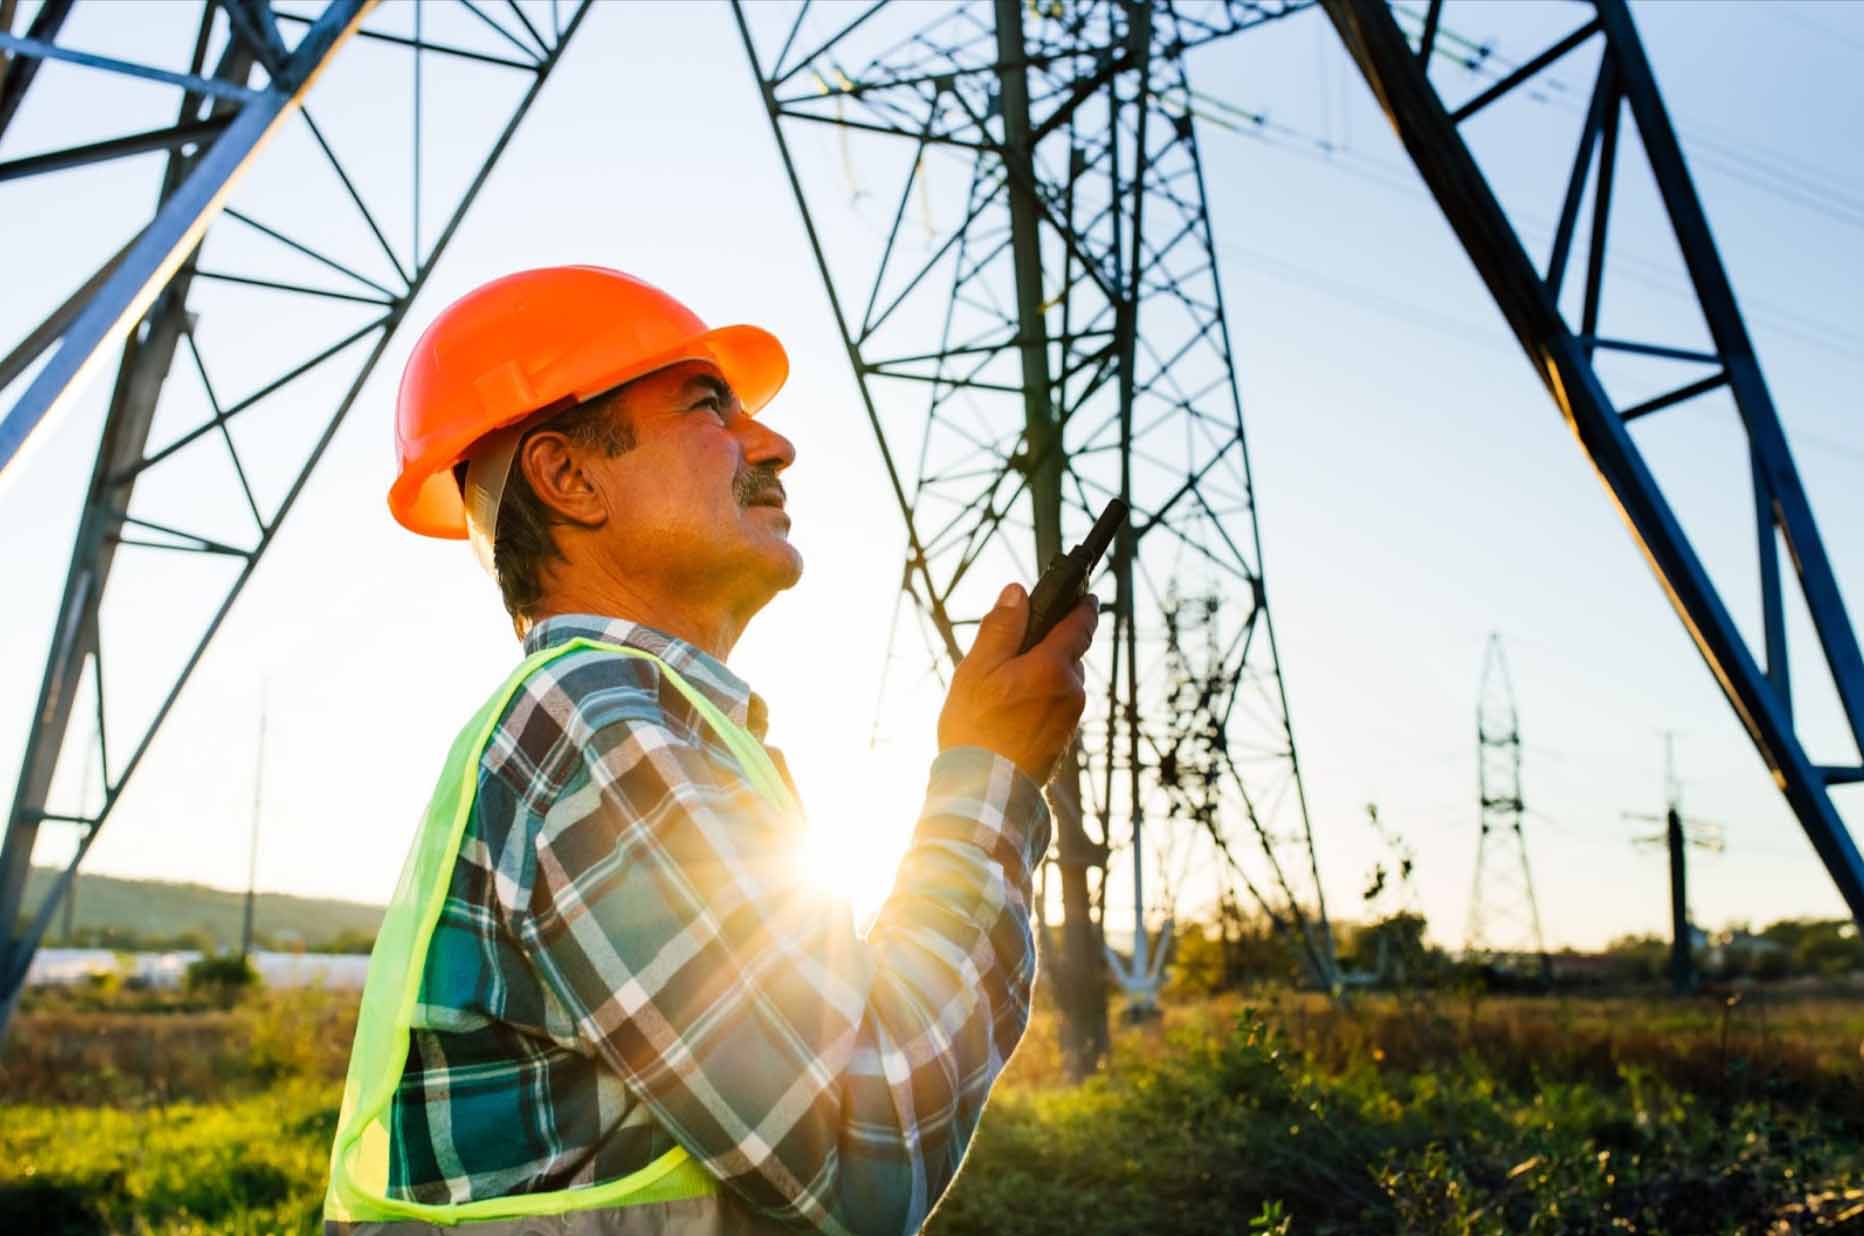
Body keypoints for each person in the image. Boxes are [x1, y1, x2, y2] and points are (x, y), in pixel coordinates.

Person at [324, 266, 1099, 1236]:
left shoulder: (623, 724)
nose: (773, 444)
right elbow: (868, 1143)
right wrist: (990, 774)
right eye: (709, 409)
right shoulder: (602, 730)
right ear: (569, 477)